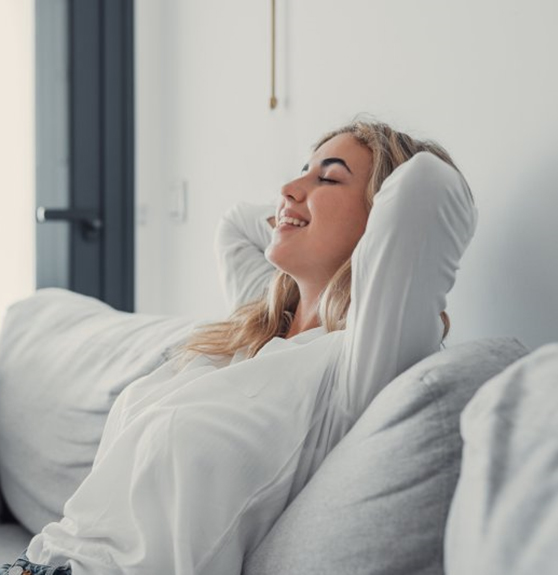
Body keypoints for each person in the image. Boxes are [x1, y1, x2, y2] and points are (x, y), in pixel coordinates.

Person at [1, 120, 477, 575]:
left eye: (329, 178)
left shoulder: (357, 360)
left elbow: (428, 186)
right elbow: (235, 227)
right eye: (302, 171)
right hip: (39, 559)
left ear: (381, 225)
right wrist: (304, 203)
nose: (290, 186)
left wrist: (353, 206)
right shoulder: (256, 332)